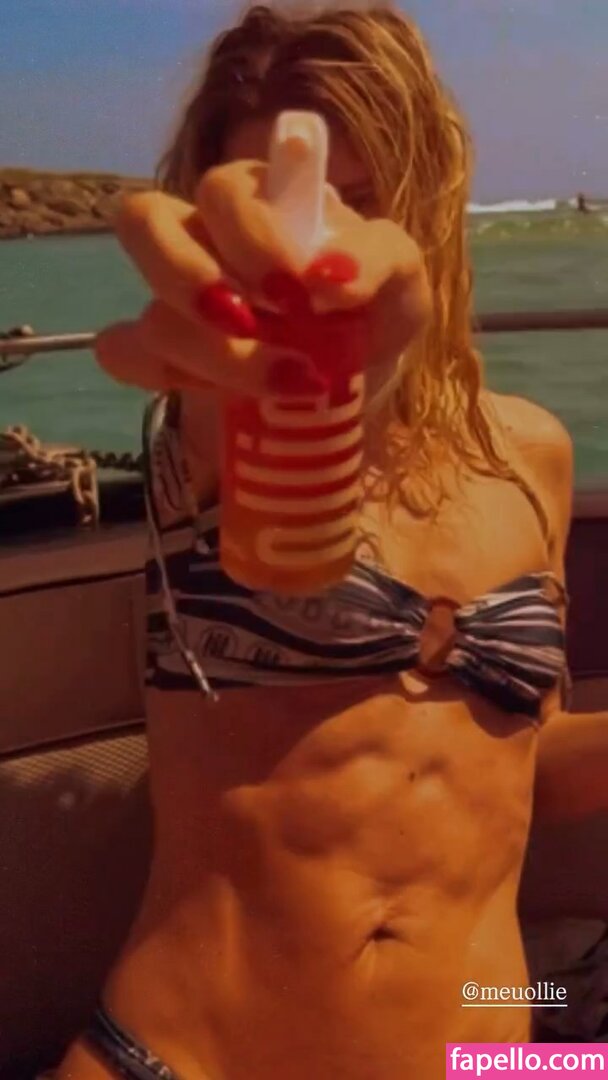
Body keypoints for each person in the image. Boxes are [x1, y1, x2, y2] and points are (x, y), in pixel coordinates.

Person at [57, 5, 608, 1079]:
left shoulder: (531, 457)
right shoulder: (223, 429)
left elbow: (511, 771)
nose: (320, 246)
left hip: (487, 1052)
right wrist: (293, 347)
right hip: (186, 1058)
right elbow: (241, 382)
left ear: (430, 205)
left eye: (359, 203)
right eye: (274, 211)